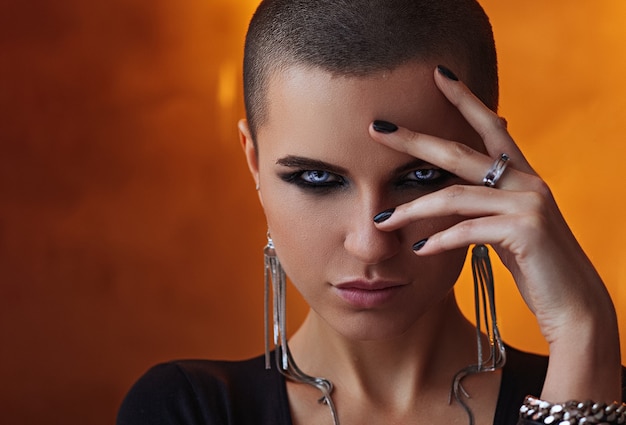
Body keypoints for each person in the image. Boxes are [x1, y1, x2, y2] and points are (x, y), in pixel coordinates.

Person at [116, 1, 626, 424]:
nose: (370, 242)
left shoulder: (602, 390)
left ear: (485, 165)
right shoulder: (185, 410)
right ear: (253, 159)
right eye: (316, 178)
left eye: (420, 176)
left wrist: (584, 334)